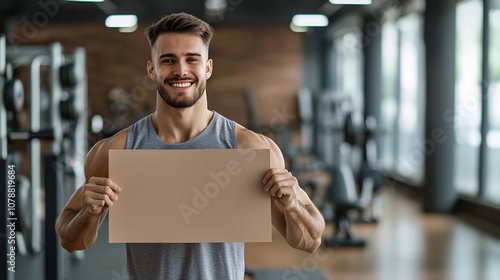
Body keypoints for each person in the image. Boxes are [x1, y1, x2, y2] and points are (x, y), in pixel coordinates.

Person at [56, 12, 325, 280]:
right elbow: (70, 240)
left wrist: (291, 205)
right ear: (152, 69)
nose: (181, 70)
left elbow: (310, 240)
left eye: (192, 59)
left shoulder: (248, 149)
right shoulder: (118, 151)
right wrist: (90, 213)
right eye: (168, 60)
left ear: (208, 68)